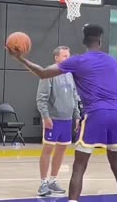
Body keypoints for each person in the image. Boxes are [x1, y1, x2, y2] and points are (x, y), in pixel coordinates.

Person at [6, 24, 117, 202]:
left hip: (95, 114)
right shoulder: (112, 61)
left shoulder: (77, 61)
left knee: (79, 166)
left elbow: (43, 73)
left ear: (84, 41)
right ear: (100, 42)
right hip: (116, 114)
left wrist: (20, 58)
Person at [36, 46, 81, 196]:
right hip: (53, 119)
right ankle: (43, 183)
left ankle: (53, 181)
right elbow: (41, 98)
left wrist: (76, 116)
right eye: (64, 56)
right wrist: (45, 116)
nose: (68, 58)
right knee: (48, 150)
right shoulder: (49, 73)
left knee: (61, 151)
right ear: (56, 57)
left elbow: (74, 97)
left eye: (69, 56)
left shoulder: (70, 74)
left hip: (67, 120)